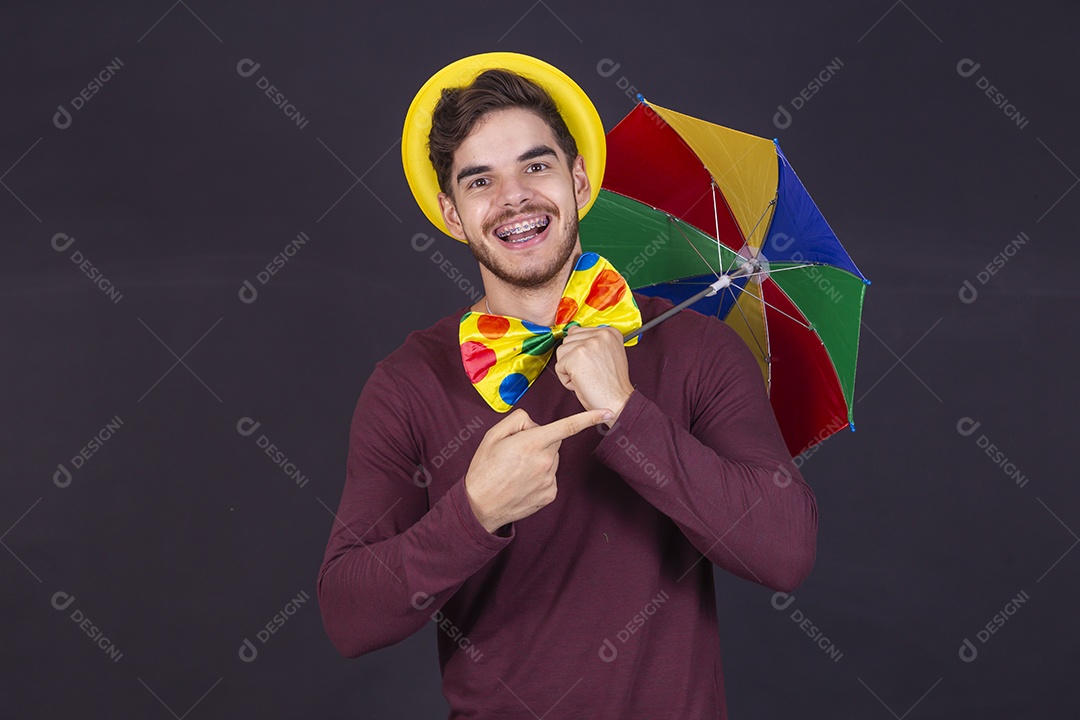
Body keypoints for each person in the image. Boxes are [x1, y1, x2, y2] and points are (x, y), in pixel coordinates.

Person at [317, 52, 817, 719]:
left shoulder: (695, 348)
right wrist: (475, 512)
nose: (514, 197)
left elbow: (784, 552)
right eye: (479, 181)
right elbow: (349, 615)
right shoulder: (409, 384)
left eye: (536, 165)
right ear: (452, 213)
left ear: (579, 181)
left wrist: (626, 410)